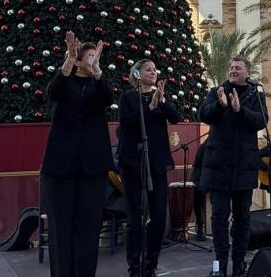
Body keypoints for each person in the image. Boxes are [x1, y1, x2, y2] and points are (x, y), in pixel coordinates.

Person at [39, 32, 112, 277]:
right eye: (88, 57)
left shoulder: (98, 86)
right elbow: (53, 92)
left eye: (96, 56)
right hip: (60, 168)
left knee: (88, 227)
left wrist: (99, 70)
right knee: (60, 228)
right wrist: (68, 61)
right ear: (79, 60)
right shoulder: (65, 83)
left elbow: (108, 98)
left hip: (92, 168)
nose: (92, 60)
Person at [197, 58, 266, 277]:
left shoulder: (256, 94)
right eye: (231, 67)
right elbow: (203, 114)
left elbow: (261, 121)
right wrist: (221, 105)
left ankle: (238, 265)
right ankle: (219, 266)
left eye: (238, 68)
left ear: (248, 72)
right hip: (218, 166)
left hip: (244, 166)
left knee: (242, 218)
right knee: (218, 216)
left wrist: (240, 110)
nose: (233, 70)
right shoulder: (218, 91)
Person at [118, 59, 181, 277]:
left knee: (158, 217)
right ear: (137, 73)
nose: (153, 72)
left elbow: (175, 118)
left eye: (155, 69)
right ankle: (134, 267)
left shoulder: (161, 96)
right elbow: (126, 122)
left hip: (157, 160)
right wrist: (149, 106)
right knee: (135, 219)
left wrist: (161, 102)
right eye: (148, 69)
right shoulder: (127, 97)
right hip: (132, 161)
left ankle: (150, 265)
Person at [191, 144, 207, 242]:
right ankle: (200, 226)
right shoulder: (203, 146)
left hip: (215, 176)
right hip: (200, 176)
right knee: (198, 191)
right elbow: (197, 167)